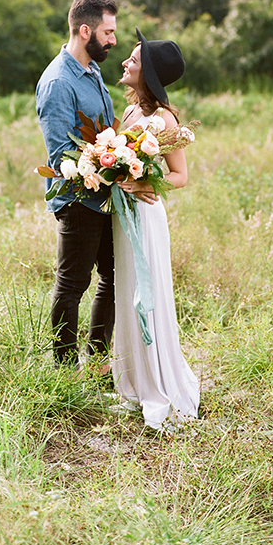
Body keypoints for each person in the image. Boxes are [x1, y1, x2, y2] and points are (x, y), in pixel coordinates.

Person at [112, 28, 200, 430]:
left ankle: (160, 382)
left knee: (147, 295)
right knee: (126, 290)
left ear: (146, 72)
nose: (127, 62)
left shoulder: (164, 119)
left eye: (134, 59)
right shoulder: (130, 114)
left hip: (146, 216)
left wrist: (148, 183)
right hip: (122, 216)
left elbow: (180, 175)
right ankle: (132, 382)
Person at [35, 0, 119, 368]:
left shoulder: (92, 70)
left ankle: (98, 363)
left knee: (113, 277)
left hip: (106, 196)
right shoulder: (57, 82)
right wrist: (105, 164)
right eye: (108, 32)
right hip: (78, 199)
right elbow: (61, 156)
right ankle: (65, 373)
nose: (113, 40)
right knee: (72, 286)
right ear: (86, 31)